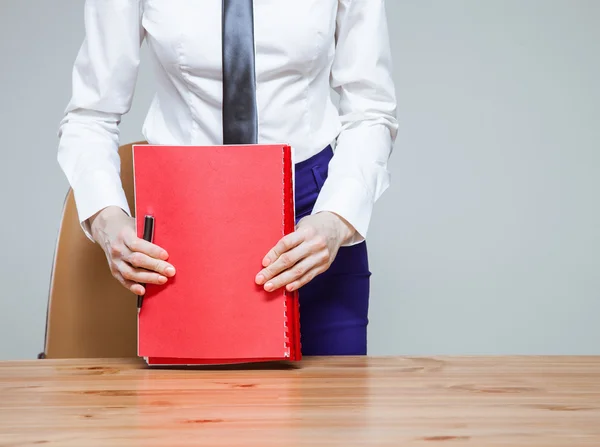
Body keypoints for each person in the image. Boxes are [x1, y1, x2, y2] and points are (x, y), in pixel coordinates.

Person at [57, 0, 398, 356]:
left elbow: (371, 109)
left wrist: (337, 220)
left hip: (313, 222)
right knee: (187, 409)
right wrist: (106, 219)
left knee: (329, 406)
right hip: (182, 227)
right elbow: (90, 115)